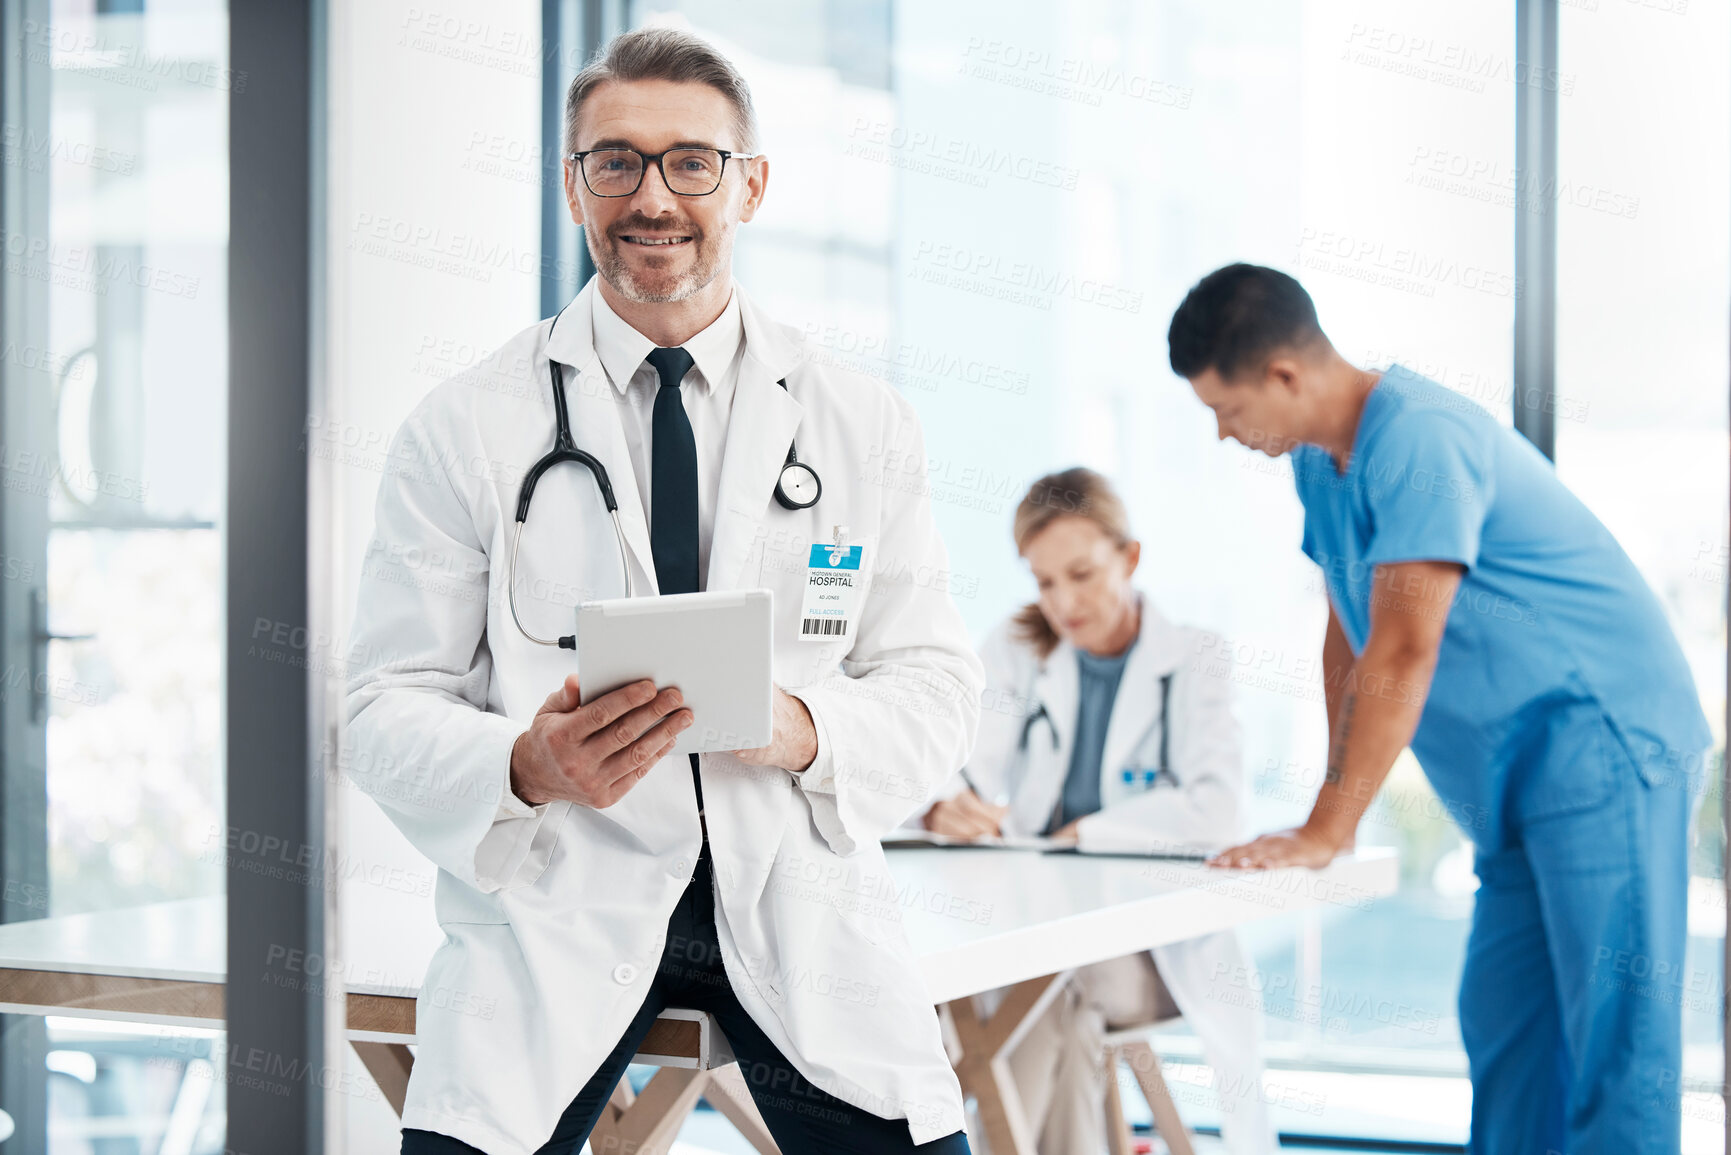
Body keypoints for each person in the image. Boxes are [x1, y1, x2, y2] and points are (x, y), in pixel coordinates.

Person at [346, 28, 982, 1154]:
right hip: (559, 898)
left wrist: (803, 729)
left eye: (692, 162)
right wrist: (524, 765)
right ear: (571, 183)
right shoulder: (467, 427)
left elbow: (932, 683)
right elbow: (383, 706)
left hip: (793, 901)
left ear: (750, 186)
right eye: (616, 162)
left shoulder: (857, 421)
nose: (653, 197)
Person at [1166, 262, 1713, 1154]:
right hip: (1518, 785)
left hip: (1605, 747)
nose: (1226, 436)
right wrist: (1320, 814)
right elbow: (1348, 635)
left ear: (1283, 376)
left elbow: (1405, 645)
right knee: (1508, 1036)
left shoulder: (1417, 437)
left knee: (1614, 1045)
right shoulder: (1317, 464)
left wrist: (1327, 831)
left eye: (1226, 411)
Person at [918, 468, 1278, 1155]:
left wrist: (1090, 831)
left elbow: (1217, 809)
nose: (1063, 602)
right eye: (1044, 581)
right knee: (976, 981)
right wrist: (943, 807)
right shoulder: (1019, 647)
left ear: (1129, 557)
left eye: (1081, 574)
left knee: (1045, 982)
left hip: (1151, 951)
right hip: (1027, 921)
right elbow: (956, 767)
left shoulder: (1194, 656)